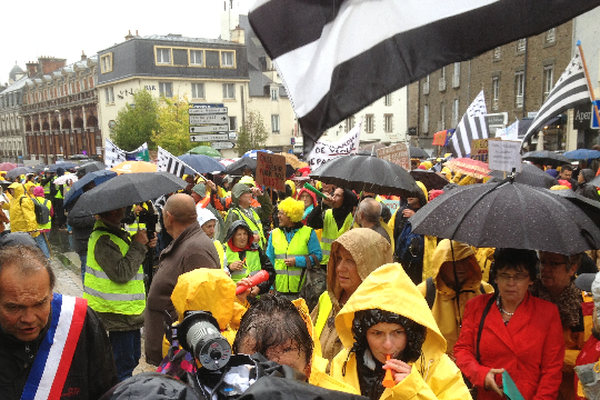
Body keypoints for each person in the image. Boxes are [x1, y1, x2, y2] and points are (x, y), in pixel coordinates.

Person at [329, 263, 472, 400]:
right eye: (377, 333)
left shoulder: (437, 368)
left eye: (397, 332)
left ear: (411, 333)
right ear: (363, 333)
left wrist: (414, 391)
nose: (387, 345)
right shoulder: (344, 364)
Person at [0, 244, 118, 399]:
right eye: (14, 307)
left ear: (51, 294)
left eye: (40, 304)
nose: (29, 319)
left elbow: (106, 391)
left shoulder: (80, 323)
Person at [454, 248, 565, 400]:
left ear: (531, 279)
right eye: (504, 276)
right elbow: (462, 350)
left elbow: (552, 370)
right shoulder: (476, 307)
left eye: (519, 277)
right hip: (487, 395)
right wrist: (481, 375)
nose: (511, 283)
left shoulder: (548, 313)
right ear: (496, 278)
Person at [145, 194, 221, 366]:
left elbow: (202, 307)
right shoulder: (186, 243)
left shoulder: (195, 250)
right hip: (172, 350)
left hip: (181, 356)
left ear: (169, 218)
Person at [83, 205, 157, 381]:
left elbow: (131, 266)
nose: (126, 210)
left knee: (131, 359)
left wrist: (144, 247)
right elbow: (121, 273)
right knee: (121, 366)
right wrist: (138, 245)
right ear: (113, 211)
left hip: (127, 311)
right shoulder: (104, 238)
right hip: (116, 313)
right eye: (122, 208)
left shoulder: (115, 234)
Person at [311, 228, 393, 366]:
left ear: (372, 265)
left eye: (350, 260)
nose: (340, 268)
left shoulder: (385, 312)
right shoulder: (326, 299)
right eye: (338, 259)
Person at [416, 240, 494, 356]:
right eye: (453, 262)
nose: (461, 267)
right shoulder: (424, 293)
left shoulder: (485, 291)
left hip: (475, 366)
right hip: (436, 369)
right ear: (440, 264)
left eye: (465, 260)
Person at [531, 251, 587, 400]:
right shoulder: (527, 298)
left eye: (554, 264)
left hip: (569, 390)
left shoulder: (583, 305)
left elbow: (588, 357)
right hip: (532, 389)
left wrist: (552, 358)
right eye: (543, 262)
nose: (545, 268)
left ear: (572, 269)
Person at [266, 197, 322, 301]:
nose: (278, 216)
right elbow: (269, 261)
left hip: (303, 291)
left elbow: (318, 256)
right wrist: (270, 286)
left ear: (291, 215)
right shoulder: (274, 234)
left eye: (281, 213)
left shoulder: (308, 233)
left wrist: (297, 261)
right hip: (279, 292)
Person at [392, 181, 432, 285]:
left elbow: (432, 236)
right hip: (401, 263)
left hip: (420, 266)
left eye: (414, 193)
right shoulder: (399, 212)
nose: (410, 195)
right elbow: (391, 232)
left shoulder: (429, 213)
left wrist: (416, 218)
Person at [307, 187, 358, 267]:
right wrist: (323, 204)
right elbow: (311, 222)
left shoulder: (353, 217)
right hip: (325, 262)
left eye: (338, 195)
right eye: (333, 194)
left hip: (344, 263)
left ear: (345, 199)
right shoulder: (328, 213)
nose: (333, 197)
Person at [224, 220, 275, 295]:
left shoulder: (256, 249)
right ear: (232, 236)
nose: (242, 237)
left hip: (256, 298)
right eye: (238, 234)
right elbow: (217, 276)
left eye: (245, 234)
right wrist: (229, 268)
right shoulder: (224, 250)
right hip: (235, 297)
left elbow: (270, 272)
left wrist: (259, 288)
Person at [224, 183, 273, 250]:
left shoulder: (253, 210)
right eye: (247, 193)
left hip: (257, 254)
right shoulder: (234, 214)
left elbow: (268, 210)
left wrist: (261, 196)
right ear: (239, 197)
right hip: (245, 256)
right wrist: (249, 240)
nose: (251, 195)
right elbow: (228, 239)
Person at [31, 185, 52, 260]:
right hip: (47, 225)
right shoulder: (48, 201)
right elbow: (51, 213)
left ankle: (46, 259)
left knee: (41, 242)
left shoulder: (32, 201)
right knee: (46, 242)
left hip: (38, 226)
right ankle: (47, 257)